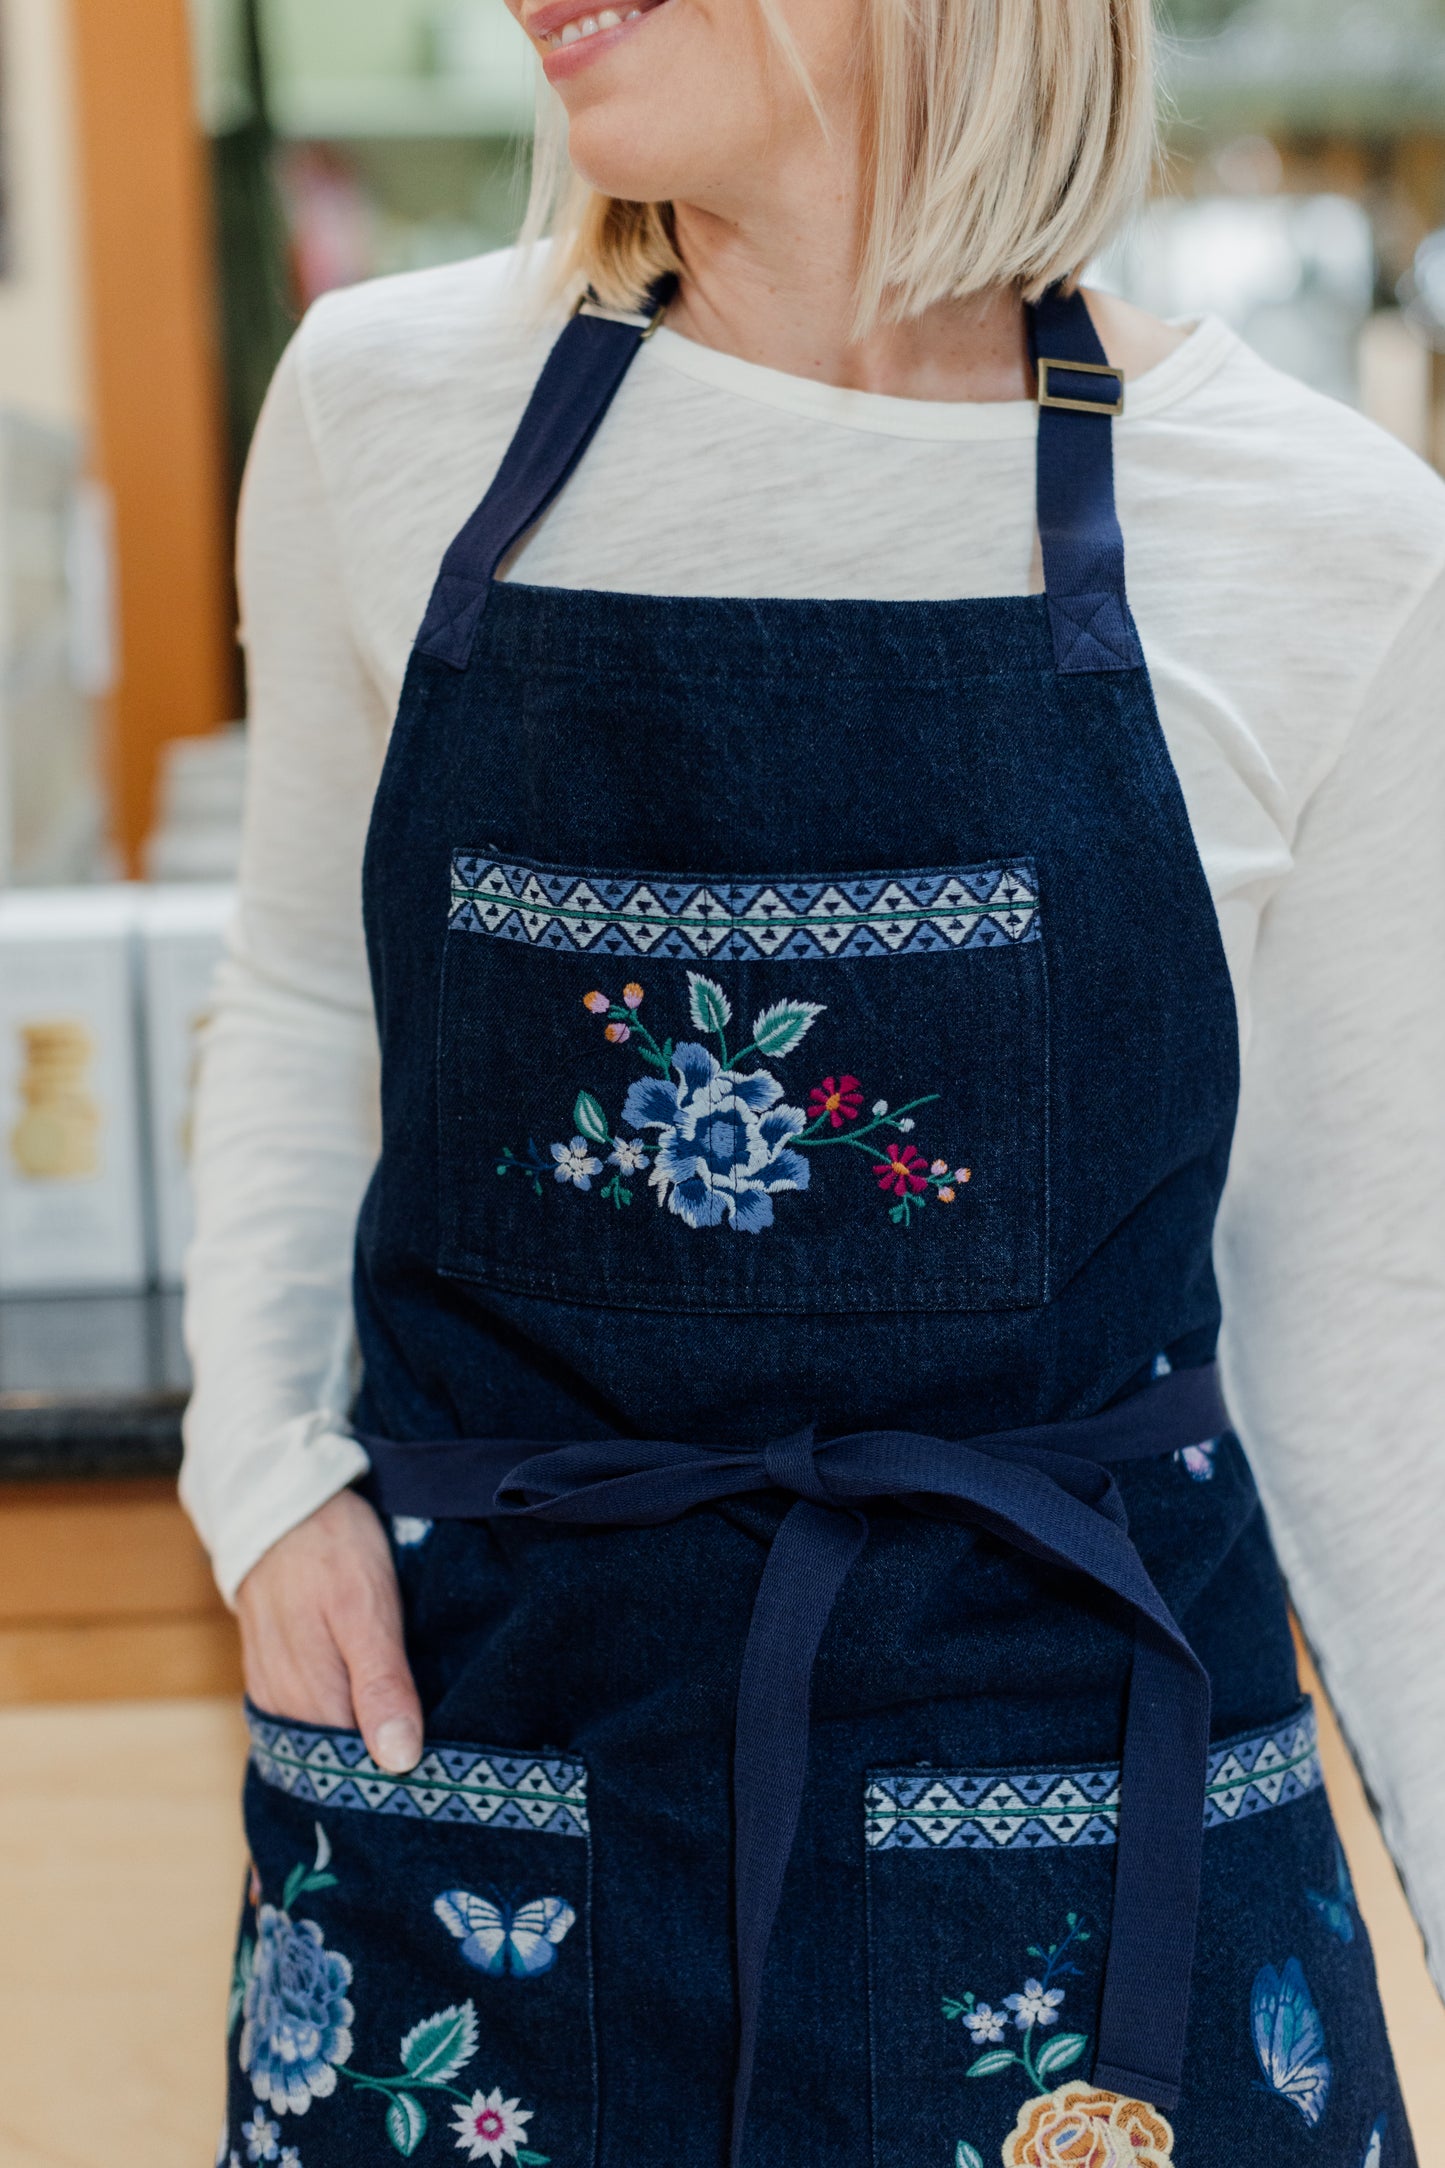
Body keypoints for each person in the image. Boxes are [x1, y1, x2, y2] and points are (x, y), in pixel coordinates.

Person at [185, 0, 1445, 2162]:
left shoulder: (1321, 530)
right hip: (490, 1786)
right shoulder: (381, 414)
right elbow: (306, 986)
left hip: (1081, 1802)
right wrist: (263, 1465)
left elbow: (1368, 1302)